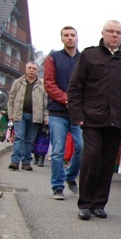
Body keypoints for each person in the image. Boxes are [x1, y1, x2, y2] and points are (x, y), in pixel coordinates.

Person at [68, 20, 121, 220]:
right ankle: (85, 203)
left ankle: (99, 203)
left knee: (107, 162)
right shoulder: (89, 55)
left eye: (118, 32)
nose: (114, 35)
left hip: (117, 119)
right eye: (110, 31)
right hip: (92, 117)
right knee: (92, 156)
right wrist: (77, 114)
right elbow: (76, 87)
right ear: (102, 33)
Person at [43, 26, 83, 200]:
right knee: (58, 150)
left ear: (77, 38)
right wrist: (67, 99)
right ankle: (57, 186)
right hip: (57, 112)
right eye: (66, 35)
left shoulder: (84, 59)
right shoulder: (53, 58)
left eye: (72, 35)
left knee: (81, 147)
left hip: (78, 113)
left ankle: (70, 176)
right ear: (62, 39)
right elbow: (49, 84)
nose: (70, 38)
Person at [8, 61, 47, 171]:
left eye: (34, 68)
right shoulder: (18, 82)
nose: (31, 70)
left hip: (35, 116)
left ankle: (26, 162)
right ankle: (15, 161)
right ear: (25, 69)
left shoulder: (42, 85)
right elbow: (11, 99)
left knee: (30, 140)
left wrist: (46, 116)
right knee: (19, 137)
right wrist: (10, 114)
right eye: (29, 68)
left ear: (37, 71)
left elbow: (46, 102)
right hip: (19, 115)